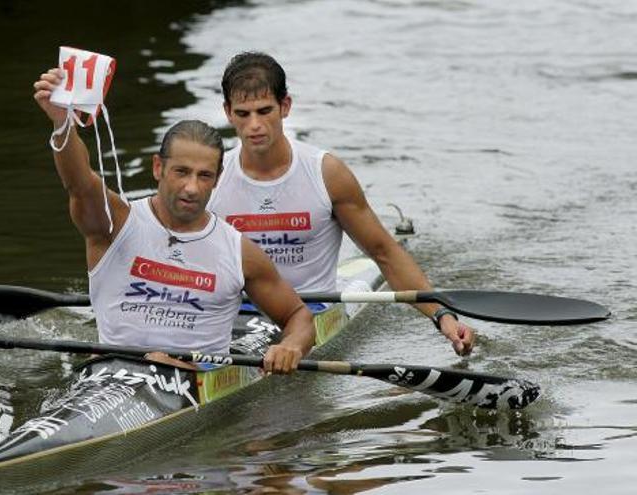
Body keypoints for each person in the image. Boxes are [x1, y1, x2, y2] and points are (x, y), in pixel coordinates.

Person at [32, 68, 315, 373]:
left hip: (197, 380)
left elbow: (299, 317)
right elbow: (80, 183)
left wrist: (290, 346)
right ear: (158, 168)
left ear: (218, 179)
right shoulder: (115, 224)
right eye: (181, 172)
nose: (192, 188)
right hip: (111, 375)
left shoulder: (238, 251)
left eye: (204, 175)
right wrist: (62, 124)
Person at [207, 52, 474, 356]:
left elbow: (383, 253)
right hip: (235, 309)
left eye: (264, 110)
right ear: (228, 112)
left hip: (309, 307)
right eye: (243, 114)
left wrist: (443, 315)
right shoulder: (210, 176)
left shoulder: (326, 173)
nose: (254, 125)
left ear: (285, 106)